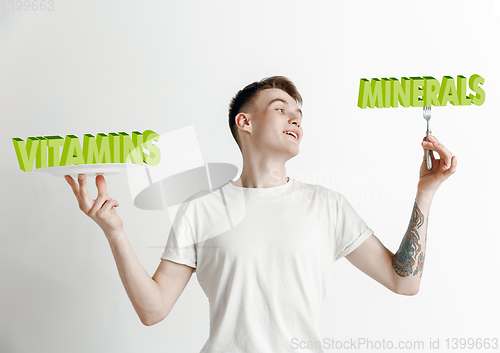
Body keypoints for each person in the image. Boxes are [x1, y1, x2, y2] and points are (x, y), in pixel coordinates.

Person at [64, 76, 457, 352]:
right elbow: (153, 310)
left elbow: (404, 282)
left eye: (298, 113)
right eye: (280, 108)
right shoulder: (201, 210)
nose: (295, 118)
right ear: (245, 122)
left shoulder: (327, 206)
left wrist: (425, 193)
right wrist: (114, 232)